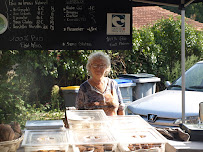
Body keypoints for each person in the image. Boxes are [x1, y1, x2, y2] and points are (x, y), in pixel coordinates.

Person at [75, 51, 125, 116]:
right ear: (90, 67)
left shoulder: (113, 84)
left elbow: (121, 109)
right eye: (95, 65)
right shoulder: (84, 87)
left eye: (102, 65)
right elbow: (79, 112)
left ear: (106, 67)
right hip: (92, 125)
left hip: (112, 124)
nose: (98, 68)